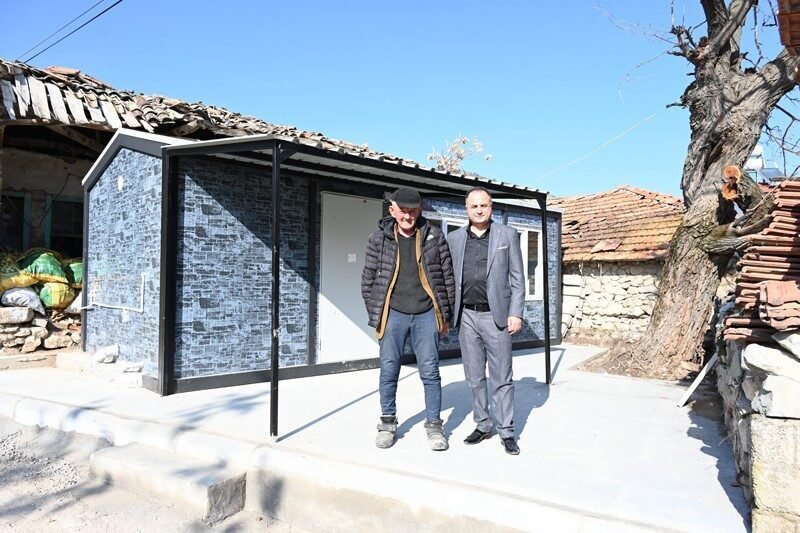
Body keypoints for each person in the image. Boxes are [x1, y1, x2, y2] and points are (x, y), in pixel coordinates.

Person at [361, 187, 455, 451]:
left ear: (420, 210)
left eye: (413, 211)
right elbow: (368, 280)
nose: (408, 216)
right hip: (393, 313)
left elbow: (447, 277)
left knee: (430, 371)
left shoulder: (435, 236)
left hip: (426, 313)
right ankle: (387, 424)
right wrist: (377, 313)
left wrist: (445, 316)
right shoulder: (378, 239)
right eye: (403, 211)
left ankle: (434, 426)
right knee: (389, 369)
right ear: (392, 210)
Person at [447, 187, 525, 455]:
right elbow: (450, 278)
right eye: (474, 206)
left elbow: (518, 277)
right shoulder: (454, 238)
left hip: (497, 316)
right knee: (474, 376)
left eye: (484, 205)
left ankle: (506, 431)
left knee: (501, 376)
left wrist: (516, 312)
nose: (479, 210)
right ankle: (482, 424)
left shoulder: (507, 235)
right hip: (466, 316)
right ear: (466, 209)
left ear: (491, 207)